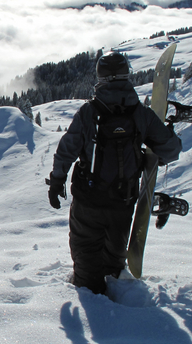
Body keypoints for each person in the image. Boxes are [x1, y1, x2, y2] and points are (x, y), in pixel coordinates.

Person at [47, 52, 182, 294]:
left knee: (86, 263)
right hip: (122, 203)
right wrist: (163, 135)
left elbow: (67, 149)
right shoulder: (141, 115)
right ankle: (120, 306)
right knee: (113, 265)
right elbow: (171, 151)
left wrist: (57, 181)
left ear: (100, 77)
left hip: (88, 202)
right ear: (126, 74)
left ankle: (96, 311)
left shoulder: (89, 112)